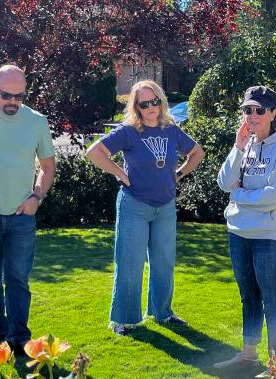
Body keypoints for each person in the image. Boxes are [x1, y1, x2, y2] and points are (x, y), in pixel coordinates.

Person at [87, 80, 203, 334]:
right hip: (134, 205)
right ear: (136, 107)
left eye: (154, 101)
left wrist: (180, 174)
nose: (150, 107)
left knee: (164, 262)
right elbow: (95, 152)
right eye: (144, 103)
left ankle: (162, 313)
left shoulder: (171, 130)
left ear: (161, 102)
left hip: (165, 207)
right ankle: (124, 320)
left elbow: (197, 152)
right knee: (129, 263)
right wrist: (119, 173)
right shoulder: (129, 131)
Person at [215, 86, 276, 379]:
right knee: (248, 297)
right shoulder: (247, 144)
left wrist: (240, 194)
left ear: (273, 114)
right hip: (239, 233)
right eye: (247, 110)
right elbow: (225, 182)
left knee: (273, 301)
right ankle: (249, 355)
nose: (252, 116)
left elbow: (275, 197)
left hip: (270, 236)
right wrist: (238, 147)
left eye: (259, 110)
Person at [0, 65, 54, 352]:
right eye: (7, 95)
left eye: (20, 96)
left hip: (22, 215)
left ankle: (20, 338)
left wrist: (36, 196)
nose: (13, 102)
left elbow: (47, 166)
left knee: (18, 279)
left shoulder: (36, 121)